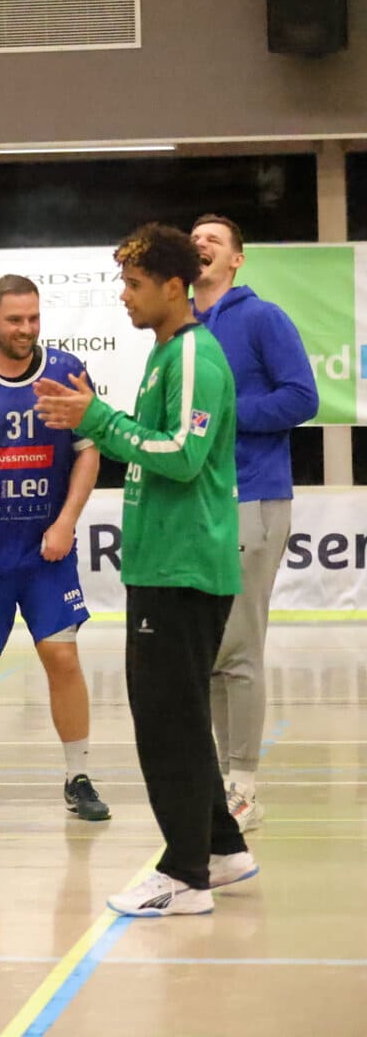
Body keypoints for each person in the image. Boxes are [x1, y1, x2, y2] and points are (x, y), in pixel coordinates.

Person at [36, 222, 254, 917]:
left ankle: (184, 875)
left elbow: (181, 456)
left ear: (172, 286)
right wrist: (97, 417)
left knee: (168, 722)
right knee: (175, 715)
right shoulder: (166, 354)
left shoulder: (193, 355)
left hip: (183, 567)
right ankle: (222, 849)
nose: (124, 298)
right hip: (164, 563)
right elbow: (155, 441)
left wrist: (96, 417)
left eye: (134, 285)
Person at [0, 275, 109, 826]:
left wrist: (66, 522)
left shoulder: (65, 373)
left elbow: (88, 450)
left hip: (45, 554)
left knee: (62, 656)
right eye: (14, 320)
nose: (26, 329)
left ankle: (78, 776)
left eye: (33, 319)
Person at [190, 214, 319, 831]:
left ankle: (244, 786)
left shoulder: (261, 318)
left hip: (254, 498)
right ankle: (223, 777)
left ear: (237, 260)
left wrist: (225, 415)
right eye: (195, 239)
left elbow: (302, 398)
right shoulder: (183, 327)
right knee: (213, 650)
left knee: (239, 648)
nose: (202, 245)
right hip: (202, 503)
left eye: (214, 239)